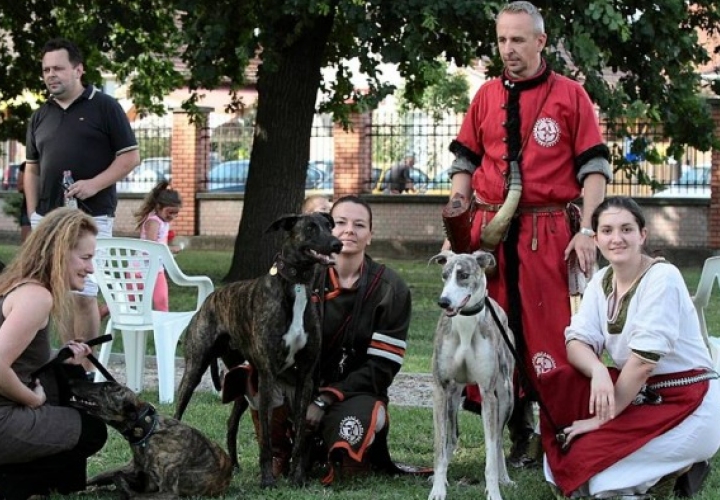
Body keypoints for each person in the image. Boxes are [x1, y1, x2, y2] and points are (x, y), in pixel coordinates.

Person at [442, 0, 612, 466]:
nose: (508, 49)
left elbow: (594, 167)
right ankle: (516, 433)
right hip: (489, 236)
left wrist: (590, 229)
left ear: (540, 41)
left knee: (548, 333)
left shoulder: (571, 95)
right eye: (502, 40)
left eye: (518, 39)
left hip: (548, 233)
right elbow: (466, 162)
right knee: (489, 329)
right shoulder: (484, 96)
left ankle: (555, 427)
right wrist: (458, 218)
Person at [539, 196, 720, 498]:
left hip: (691, 400)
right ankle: (668, 469)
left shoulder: (663, 278)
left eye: (626, 229)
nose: (617, 239)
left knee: (599, 482)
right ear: (595, 239)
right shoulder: (601, 281)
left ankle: (683, 465)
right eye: (607, 231)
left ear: (642, 235)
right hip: (641, 397)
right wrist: (597, 368)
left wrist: (600, 420)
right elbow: (576, 341)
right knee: (568, 455)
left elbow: (643, 363)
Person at [230, 196, 418, 483]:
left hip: (352, 391)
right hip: (299, 382)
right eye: (340, 223)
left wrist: (323, 399)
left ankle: (329, 446)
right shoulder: (302, 278)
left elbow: (382, 367)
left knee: (348, 465)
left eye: (359, 225)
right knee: (254, 376)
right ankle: (281, 451)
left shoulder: (391, 288)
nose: (349, 230)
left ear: (370, 236)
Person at [0, 207, 108, 499]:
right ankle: (5, 481)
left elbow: (14, 354)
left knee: (64, 372)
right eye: (85, 258)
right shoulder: (37, 297)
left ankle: (49, 485)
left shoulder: (10, 288)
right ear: (59, 252)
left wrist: (62, 353)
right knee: (93, 430)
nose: (91, 268)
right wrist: (32, 399)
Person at [24, 38, 140, 349]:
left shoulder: (105, 107)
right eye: (46, 69)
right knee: (58, 294)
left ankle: (86, 370)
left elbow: (130, 157)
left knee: (84, 292)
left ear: (78, 70)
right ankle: (67, 368)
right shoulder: (40, 115)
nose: (51, 75)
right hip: (49, 219)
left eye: (58, 68)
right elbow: (31, 168)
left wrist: (94, 184)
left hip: (93, 215)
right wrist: (34, 213)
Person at [134, 180, 183, 312]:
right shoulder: (153, 221)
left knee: (161, 301)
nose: (172, 216)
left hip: (156, 269)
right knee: (130, 302)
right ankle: (104, 310)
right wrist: (170, 249)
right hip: (139, 270)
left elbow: (161, 242)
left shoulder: (163, 221)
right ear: (159, 207)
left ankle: (163, 329)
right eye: (170, 212)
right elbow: (152, 246)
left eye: (176, 213)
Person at [17, 161, 32, 243]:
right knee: (26, 242)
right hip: (28, 207)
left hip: (48, 206)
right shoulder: (25, 165)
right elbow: (19, 186)